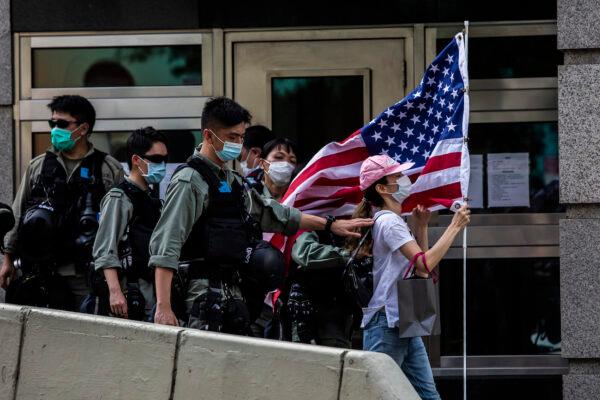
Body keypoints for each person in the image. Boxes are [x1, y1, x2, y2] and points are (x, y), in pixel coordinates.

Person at [149, 96, 372, 334]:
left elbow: (276, 214)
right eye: (231, 137)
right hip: (200, 293)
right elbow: (166, 243)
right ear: (208, 135)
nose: (237, 143)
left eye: (240, 137)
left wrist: (330, 225)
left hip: (233, 292)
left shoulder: (233, 182)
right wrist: (163, 307)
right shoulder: (190, 180)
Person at [346, 154, 470, 400]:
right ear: (382, 188)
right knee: (377, 394)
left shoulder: (394, 221)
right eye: (397, 176)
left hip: (401, 321)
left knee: (427, 395)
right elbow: (425, 262)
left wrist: (421, 227)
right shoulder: (389, 222)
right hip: (387, 322)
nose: (404, 179)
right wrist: (455, 226)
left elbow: (421, 269)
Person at [0, 95, 124, 311]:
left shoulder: (107, 169)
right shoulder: (38, 165)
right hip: (40, 271)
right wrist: (7, 260)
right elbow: (18, 212)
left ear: (83, 128)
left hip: (84, 275)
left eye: (62, 123)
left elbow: (120, 226)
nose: (55, 129)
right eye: (53, 123)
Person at [89, 127, 168, 320]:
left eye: (165, 159)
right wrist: (115, 292)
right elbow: (105, 249)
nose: (162, 165)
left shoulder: (150, 198)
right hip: (129, 291)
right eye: (156, 159)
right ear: (136, 160)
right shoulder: (119, 197)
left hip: (148, 291)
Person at [287, 228, 356, 348]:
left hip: (338, 314)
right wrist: (346, 254)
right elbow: (302, 254)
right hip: (308, 314)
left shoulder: (356, 234)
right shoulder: (312, 230)